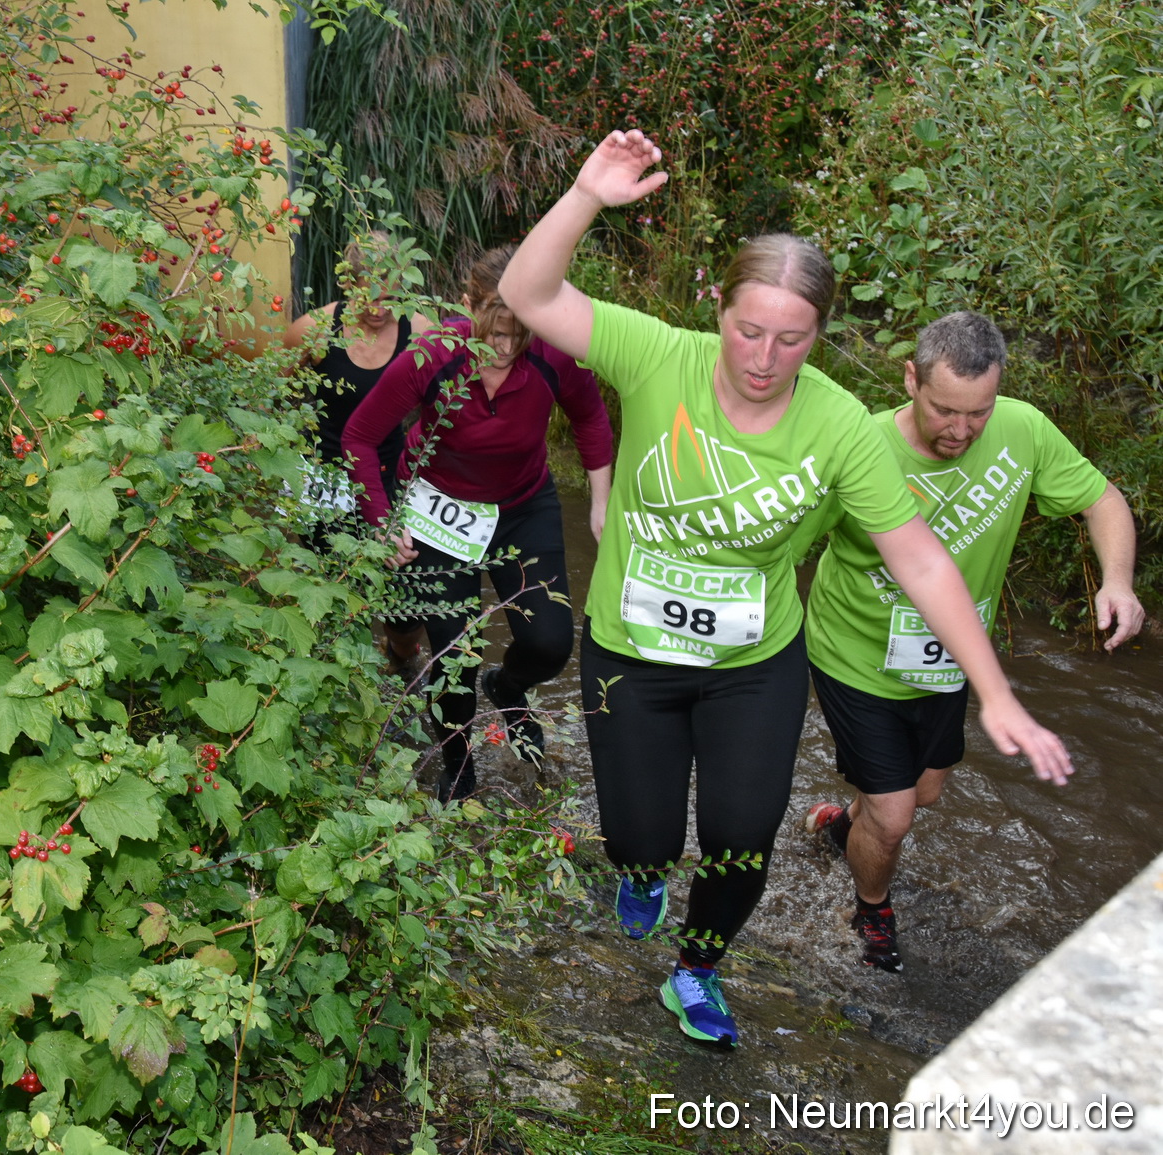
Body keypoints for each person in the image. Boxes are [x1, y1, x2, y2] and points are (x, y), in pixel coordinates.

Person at [498, 130, 1072, 1049]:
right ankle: (640, 868)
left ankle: (696, 971)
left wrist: (995, 692)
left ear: (819, 336)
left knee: (740, 836)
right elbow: (525, 294)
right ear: (717, 311)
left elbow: (921, 557)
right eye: (748, 329)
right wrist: (585, 196)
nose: (764, 357)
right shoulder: (657, 355)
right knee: (642, 834)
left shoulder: (841, 424)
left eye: (792, 339)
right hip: (632, 654)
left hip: (753, 665)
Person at [801, 311, 1144, 973]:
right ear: (911, 379)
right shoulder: (859, 445)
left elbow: (1102, 499)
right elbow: (787, 535)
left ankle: (845, 827)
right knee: (898, 813)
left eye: (977, 412)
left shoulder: (1022, 430)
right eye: (944, 409)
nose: (960, 429)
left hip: (952, 657)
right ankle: (871, 908)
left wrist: (1119, 582)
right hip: (854, 652)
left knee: (924, 793)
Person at [342, 244, 614, 802]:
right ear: (466, 306)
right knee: (453, 653)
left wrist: (600, 499)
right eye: (493, 327)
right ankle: (458, 766)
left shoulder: (552, 354)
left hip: (522, 505)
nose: (506, 345)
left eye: (520, 330)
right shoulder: (432, 355)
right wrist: (382, 520)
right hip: (441, 509)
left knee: (551, 641)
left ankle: (508, 685)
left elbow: (590, 415)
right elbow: (360, 438)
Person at [283, 233, 435, 675]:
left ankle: (401, 662)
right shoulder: (312, 330)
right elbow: (272, 398)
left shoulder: (420, 331)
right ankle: (340, 693)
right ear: (348, 283)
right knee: (330, 598)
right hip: (324, 478)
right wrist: (293, 463)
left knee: (408, 608)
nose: (380, 306)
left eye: (390, 293)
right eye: (369, 294)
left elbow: (440, 406)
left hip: (392, 478)